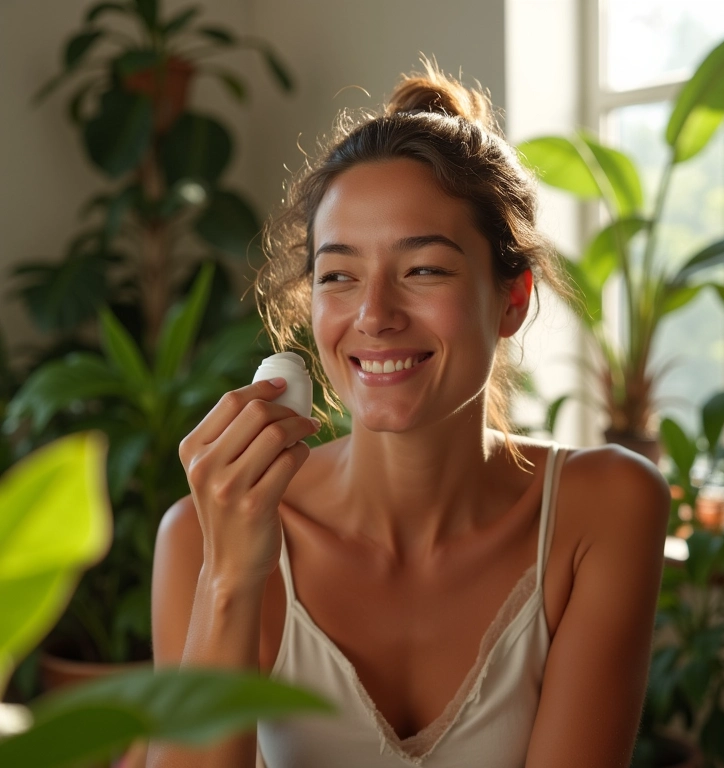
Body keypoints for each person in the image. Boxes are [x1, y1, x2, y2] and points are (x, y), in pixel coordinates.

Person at [147, 57, 670, 768]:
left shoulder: (603, 510)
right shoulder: (201, 537)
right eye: (339, 276)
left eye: (423, 269)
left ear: (511, 298)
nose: (375, 315)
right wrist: (231, 580)